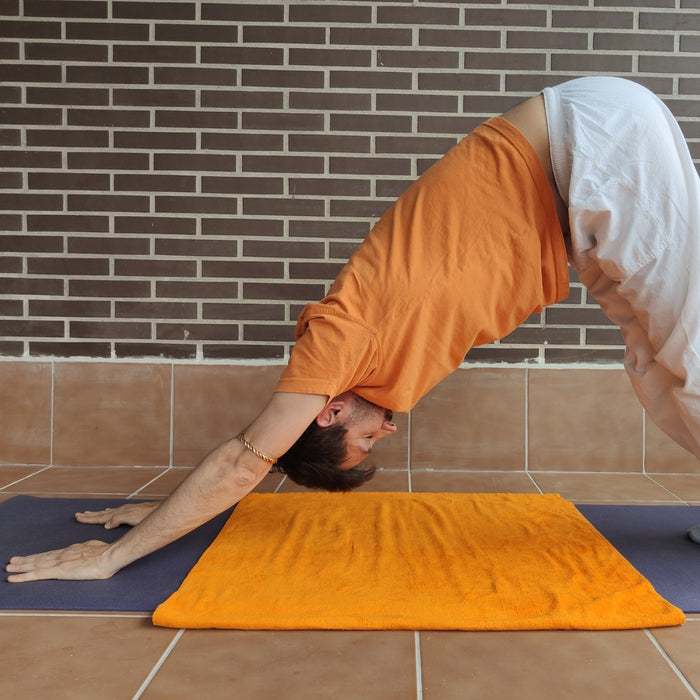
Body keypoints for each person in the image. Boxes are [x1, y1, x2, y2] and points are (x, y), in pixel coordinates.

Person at [7, 76, 700, 583]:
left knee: (689, 362)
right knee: (657, 377)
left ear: (330, 409)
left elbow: (247, 458)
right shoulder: (374, 363)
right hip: (580, 191)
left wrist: (114, 558)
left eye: (363, 436)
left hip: (592, 150)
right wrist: (160, 509)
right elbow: (252, 461)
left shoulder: (339, 342)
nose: (388, 431)